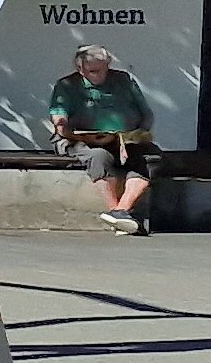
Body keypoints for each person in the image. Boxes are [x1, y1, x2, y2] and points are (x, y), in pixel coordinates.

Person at [48, 44, 159, 236]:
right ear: (79, 68)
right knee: (99, 156)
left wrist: (139, 134)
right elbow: (60, 123)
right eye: (92, 71)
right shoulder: (66, 86)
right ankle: (119, 214)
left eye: (102, 70)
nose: (98, 76)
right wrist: (74, 132)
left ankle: (119, 213)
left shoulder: (123, 80)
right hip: (80, 140)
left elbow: (146, 114)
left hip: (123, 138)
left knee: (147, 158)